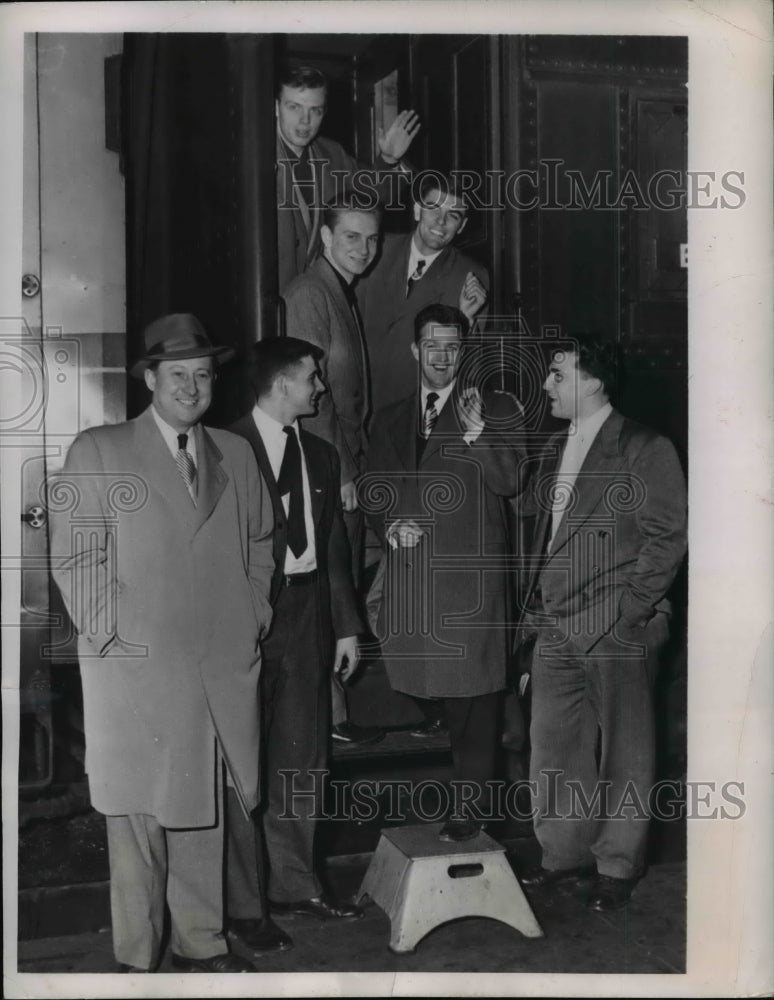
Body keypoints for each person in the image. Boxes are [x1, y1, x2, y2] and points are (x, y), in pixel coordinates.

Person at [49, 313, 275, 973]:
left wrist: (252, 613)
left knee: (202, 809)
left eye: (203, 375)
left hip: (217, 667)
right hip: (136, 672)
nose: (192, 386)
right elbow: (75, 558)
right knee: (140, 818)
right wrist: (115, 634)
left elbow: (262, 543)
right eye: (178, 374)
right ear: (150, 378)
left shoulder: (234, 454)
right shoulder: (101, 450)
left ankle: (200, 944)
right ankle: (137, 957)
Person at [517, 333, 687, 911]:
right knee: (554, 747)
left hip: (618, 625)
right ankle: (563, 855)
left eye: (558, 375)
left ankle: (616, 866)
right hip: (557, 623)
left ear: (592, 381)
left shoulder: (644, 446)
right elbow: (546, 541)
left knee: (625, 751)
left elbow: (667, 538)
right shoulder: (554, 447)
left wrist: (631, 613)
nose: (547, 386)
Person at [364, 304, 528, 841]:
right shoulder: (390, 416)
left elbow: (510, 483)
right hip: (414, 583)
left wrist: (480, 436)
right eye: (432, 346)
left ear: (466, 351)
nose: (442, 356)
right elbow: (375, 488)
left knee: (477, 701)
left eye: (453, 347)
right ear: (415, 350)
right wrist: (390, 522)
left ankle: (472, 811)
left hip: (471, 584)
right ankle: (468, 803)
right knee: (438, 696)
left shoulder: (495, 405)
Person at [226, 337, 367, 945]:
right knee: (241, 762)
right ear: (282, 384)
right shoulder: (224, 448)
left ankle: (295, 883)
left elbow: (334, 547)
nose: (320, 388)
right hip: (248, 618)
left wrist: (346, 626)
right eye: (312, 377)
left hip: (310, 617)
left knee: (303, 756)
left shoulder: (322, 453)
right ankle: (245, 902)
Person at [282, 200, 384, 745]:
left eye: (371, 239)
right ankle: (327, 718)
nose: (363, 249)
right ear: (324, 235)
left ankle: (334, 714)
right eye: (351, 236)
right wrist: (341, 469)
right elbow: (310, 396)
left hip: (344, 458)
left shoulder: (340, 290)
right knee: (327, 579)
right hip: (325, 462)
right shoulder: (308, 294)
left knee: (342, 577)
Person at [276, 63, 420, 294]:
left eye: (316, 110)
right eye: (294, 107)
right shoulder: (253, 157)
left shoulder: (332, 153)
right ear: (276, 107)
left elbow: (368, 200)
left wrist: (388, 159)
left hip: (321, 293)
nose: (305, 121)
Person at [357, 172, 490, 417]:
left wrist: (466, 321)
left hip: (411, 414)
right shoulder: (376, 248)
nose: (441, 222)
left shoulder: (470, 275)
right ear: (418, 210)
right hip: (356, 402)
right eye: (433, 209)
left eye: (453, 215)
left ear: (462, 226)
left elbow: (473, 365)